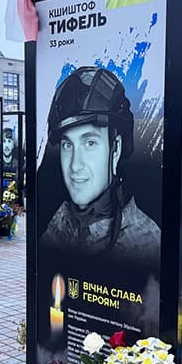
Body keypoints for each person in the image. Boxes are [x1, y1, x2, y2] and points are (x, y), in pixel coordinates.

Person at [39, 66, 160, 263]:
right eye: (68, 145)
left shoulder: (147, 243)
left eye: (90, 143)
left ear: (116, 149)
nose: (75, 166)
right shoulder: (56, 226)